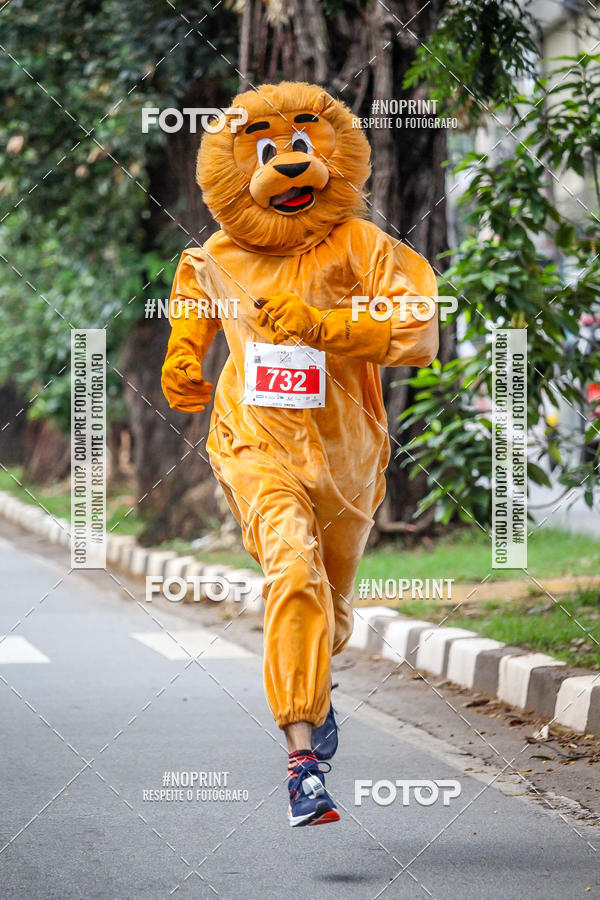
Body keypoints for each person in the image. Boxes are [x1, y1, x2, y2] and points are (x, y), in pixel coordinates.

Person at [161, 81, 438, 826]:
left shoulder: (360, 247)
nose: (287, 165)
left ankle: (314, 685)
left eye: (303, 148)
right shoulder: (220, 256)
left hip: (347, 463)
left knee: (329, 606)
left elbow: (418, 329)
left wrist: (325, 324)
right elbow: (193, 291)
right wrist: (184, 355)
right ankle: (302, 761)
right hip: (254, 445)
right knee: (291, 568)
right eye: (266, 152)